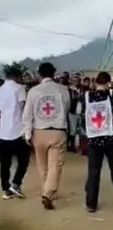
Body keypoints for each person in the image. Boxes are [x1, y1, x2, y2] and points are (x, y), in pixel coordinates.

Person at [22, 62, 70, 210]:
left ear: (39, 74)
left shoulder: (33, 91)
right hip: (57, 131)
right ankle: (48, 193)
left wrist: (27, 133)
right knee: (55, 165)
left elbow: (27, 114)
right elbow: (67, 109)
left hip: (39, 132)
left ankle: (47, 191)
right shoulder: (63, 90)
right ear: (53, 73)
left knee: (42, 166)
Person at [0, 65, 30, 199]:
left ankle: (6, 188)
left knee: (5, 163)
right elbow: (24, 109)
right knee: (23, 159)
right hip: (18, 130)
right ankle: (16, 183)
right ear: (16, 76)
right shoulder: (20, 89)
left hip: (3, 131)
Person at [82, 72, 113, 212]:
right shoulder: (110, 96)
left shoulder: (87, 96)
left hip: (94, 139)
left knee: (93, 172)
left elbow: (81, 114)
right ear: (108, 82)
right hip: (110, 138)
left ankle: (91, 203)